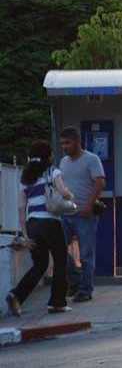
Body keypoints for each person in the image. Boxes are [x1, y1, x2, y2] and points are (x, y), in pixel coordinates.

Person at [6, 141, 74, 315]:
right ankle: (57, 302)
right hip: (51, 222)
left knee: (40, 264)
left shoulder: (25, 177)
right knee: (60, 261)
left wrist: (26, 235)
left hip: (33, 224)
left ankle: (16, 295)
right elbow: (63, 191)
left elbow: (21, 208)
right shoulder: (53, 171)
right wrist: (69, 195)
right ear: (48, 156)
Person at [59, 126, 106, 303]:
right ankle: (76, 280)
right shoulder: (63, 162)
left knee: (86, 254)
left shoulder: (91, 159)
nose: (64, 146)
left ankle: (85, 290)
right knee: (58, 248)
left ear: (77, 142)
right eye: (62, 143)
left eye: (67, 143)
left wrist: (89, 205)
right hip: (66, 213)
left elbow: (100, 182)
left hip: (85, 214)